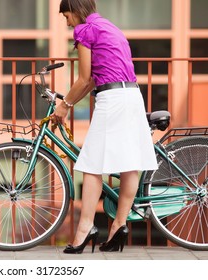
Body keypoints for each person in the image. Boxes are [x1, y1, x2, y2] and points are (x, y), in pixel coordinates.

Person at [52, 0, 158, 253]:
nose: (67, 23)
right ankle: (119, 226)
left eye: (67, 16)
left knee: (91, 165)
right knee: (130, 164)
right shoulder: (110, 27)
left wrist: (64, 104)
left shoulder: (85, 30)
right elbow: (91, 81)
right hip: (132, 95)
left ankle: (84, 228)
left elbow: (84, 77)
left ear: (76, 11)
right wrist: (70, 101)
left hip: (112, 100)